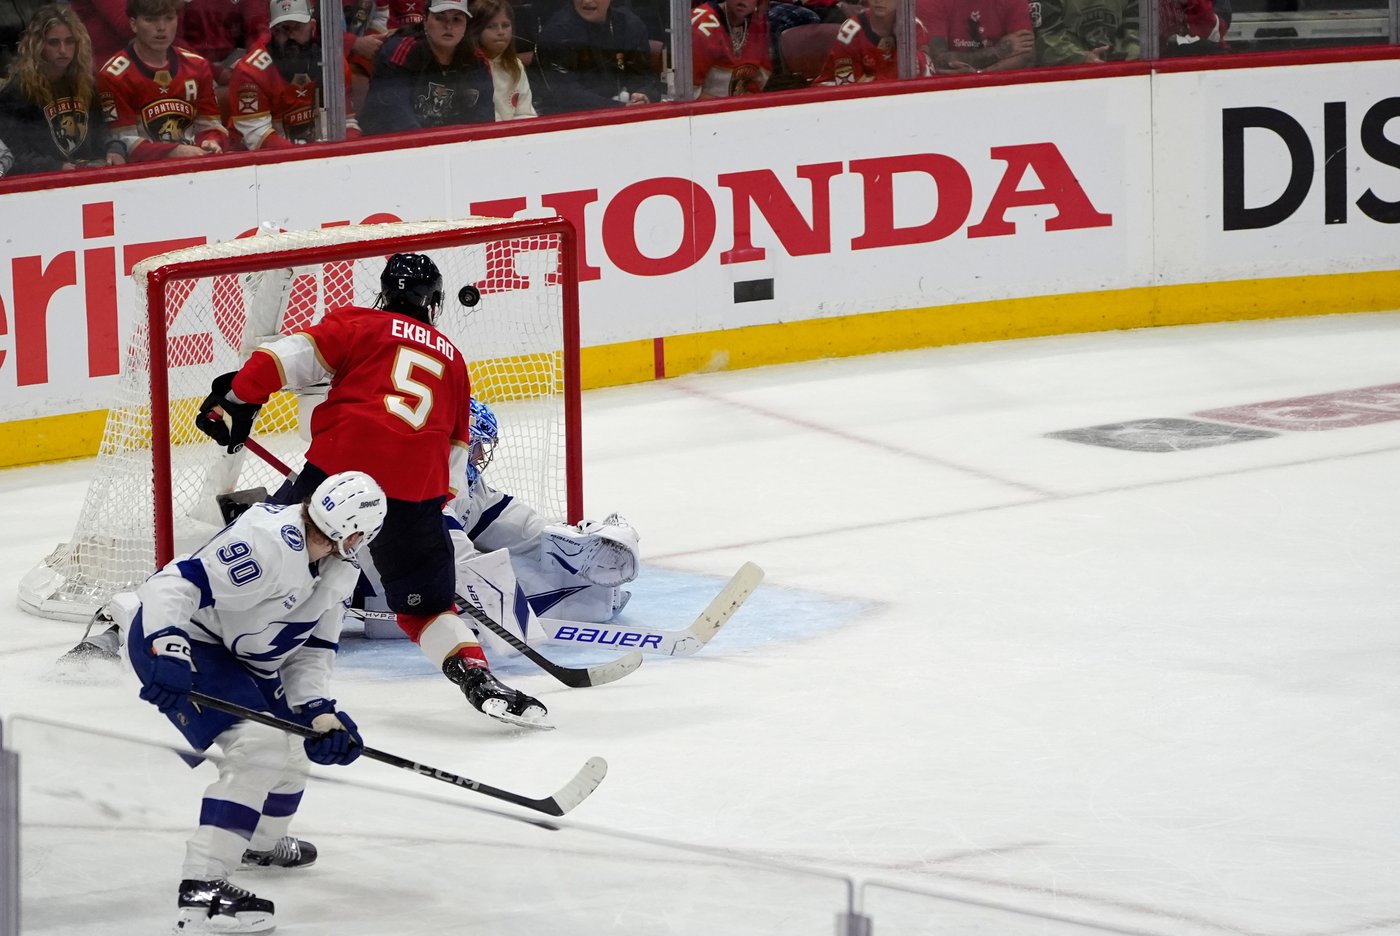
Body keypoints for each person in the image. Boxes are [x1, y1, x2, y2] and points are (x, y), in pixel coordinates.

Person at [193, 253, 549, 727]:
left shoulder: (360, 323)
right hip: (414, 495)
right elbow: (456, 454)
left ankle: (177, 629)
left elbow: (281, 359)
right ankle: (474, 676)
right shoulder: (453, 358)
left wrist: (238, 396)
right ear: (435, 300)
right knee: (426, 609)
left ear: (386, 291)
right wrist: (427, 515)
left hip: (338, 473)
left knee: (257, 548)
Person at [121, 470, 384, 933]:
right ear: (358, 534)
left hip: (240, 659)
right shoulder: (267, 541)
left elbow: (311, 653)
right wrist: (169, 645)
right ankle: (203, 891)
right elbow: (170, 586)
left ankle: (257, 843)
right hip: (185, 641)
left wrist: (320, 713)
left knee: (296, 745)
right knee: (259, 747)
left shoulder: (339, 574)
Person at [353, 398, 640, 660]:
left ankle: (588, 595)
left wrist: (567, 543)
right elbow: (458, 559)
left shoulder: (462, 484)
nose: (479, 457)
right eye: (476, 446)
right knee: (511, 578)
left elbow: (509, 521)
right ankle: (586, 602)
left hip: (406, 582)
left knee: (527, 570)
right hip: (374, 590)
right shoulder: (416, 483)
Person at [0, 5, 128, 175]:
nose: (63, 50)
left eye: (69, 41)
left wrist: (114, 149)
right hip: (41, 186)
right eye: (53, 43)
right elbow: (15, 155)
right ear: (37, 45)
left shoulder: (87, 83)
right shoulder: (16, 92)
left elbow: (102, 131)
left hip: (88, 178)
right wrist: (55, 167)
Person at [96, 0, 229, 161]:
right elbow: (122, 143)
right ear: (134, 24)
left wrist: (212, 141)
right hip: (144, 174)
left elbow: (211, 126)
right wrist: (175, 151)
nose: (161, 27)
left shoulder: (197, 66)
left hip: (195, 163)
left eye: (169, 18)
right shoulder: (114, 75)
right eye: (150, 20)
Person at [226, 0, 362, 150]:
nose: (290, 37)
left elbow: (347, 123)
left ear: (313, 26)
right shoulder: (250, 72)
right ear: (271, 31)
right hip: (259, 165)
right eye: (282, 29)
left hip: (315, 157)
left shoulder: (333, 64)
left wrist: (348, 152)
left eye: (298, 27)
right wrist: (309, 157)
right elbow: (259, 137)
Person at [358, 0, 496, 133]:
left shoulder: (476, 60)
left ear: (466, 25)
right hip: (393, 148)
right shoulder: (400, 52)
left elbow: (482, 120)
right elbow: (395, 117)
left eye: (457, 19)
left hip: (453, 149)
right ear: (425, 20)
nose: (448, 26)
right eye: (440, 18)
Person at [531, 0, 661, 114]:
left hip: (620, 110)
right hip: (565, 118)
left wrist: (644, 95)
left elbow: (643, 77)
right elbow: (567, 94)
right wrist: (621, 108)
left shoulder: (629, 25)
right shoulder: (557, 33)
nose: (586, 1)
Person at [816, 0, 931, 84]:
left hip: (892, 98)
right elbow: (848, 86)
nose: (879, 1)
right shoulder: (850, 31)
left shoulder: (913, 27)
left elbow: (926, 75)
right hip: (832, 101)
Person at [918, 0, 1034, 73]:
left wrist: (980, 74)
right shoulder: (930, 2)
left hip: (999, 89)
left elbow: (1027, 55)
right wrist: (999, 51)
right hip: (947, 91)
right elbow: (936, 62)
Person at [691, 0, 773, 99]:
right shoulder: (701, 27)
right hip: (705, 111)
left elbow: (757, 83)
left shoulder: (759, 25)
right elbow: (688, 93)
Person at [469, 0, 536, 119]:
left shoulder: (515, 65)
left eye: (505, 25)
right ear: (476, 31)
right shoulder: (469, 67)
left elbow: (525, 113)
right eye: (491, 26)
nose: (501, 32)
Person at [178, 0, 272, 85]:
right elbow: (172, 38)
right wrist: (215, 71)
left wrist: (252, 64)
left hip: (236, 61)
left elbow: (258, 30)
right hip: (187, 62)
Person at [1033, 0, 1139, 64]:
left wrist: (1130, 60)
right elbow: (1046, 41)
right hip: (1065, 80)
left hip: (1121, 76)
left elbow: (1138, 36)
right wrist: (1082, 58)